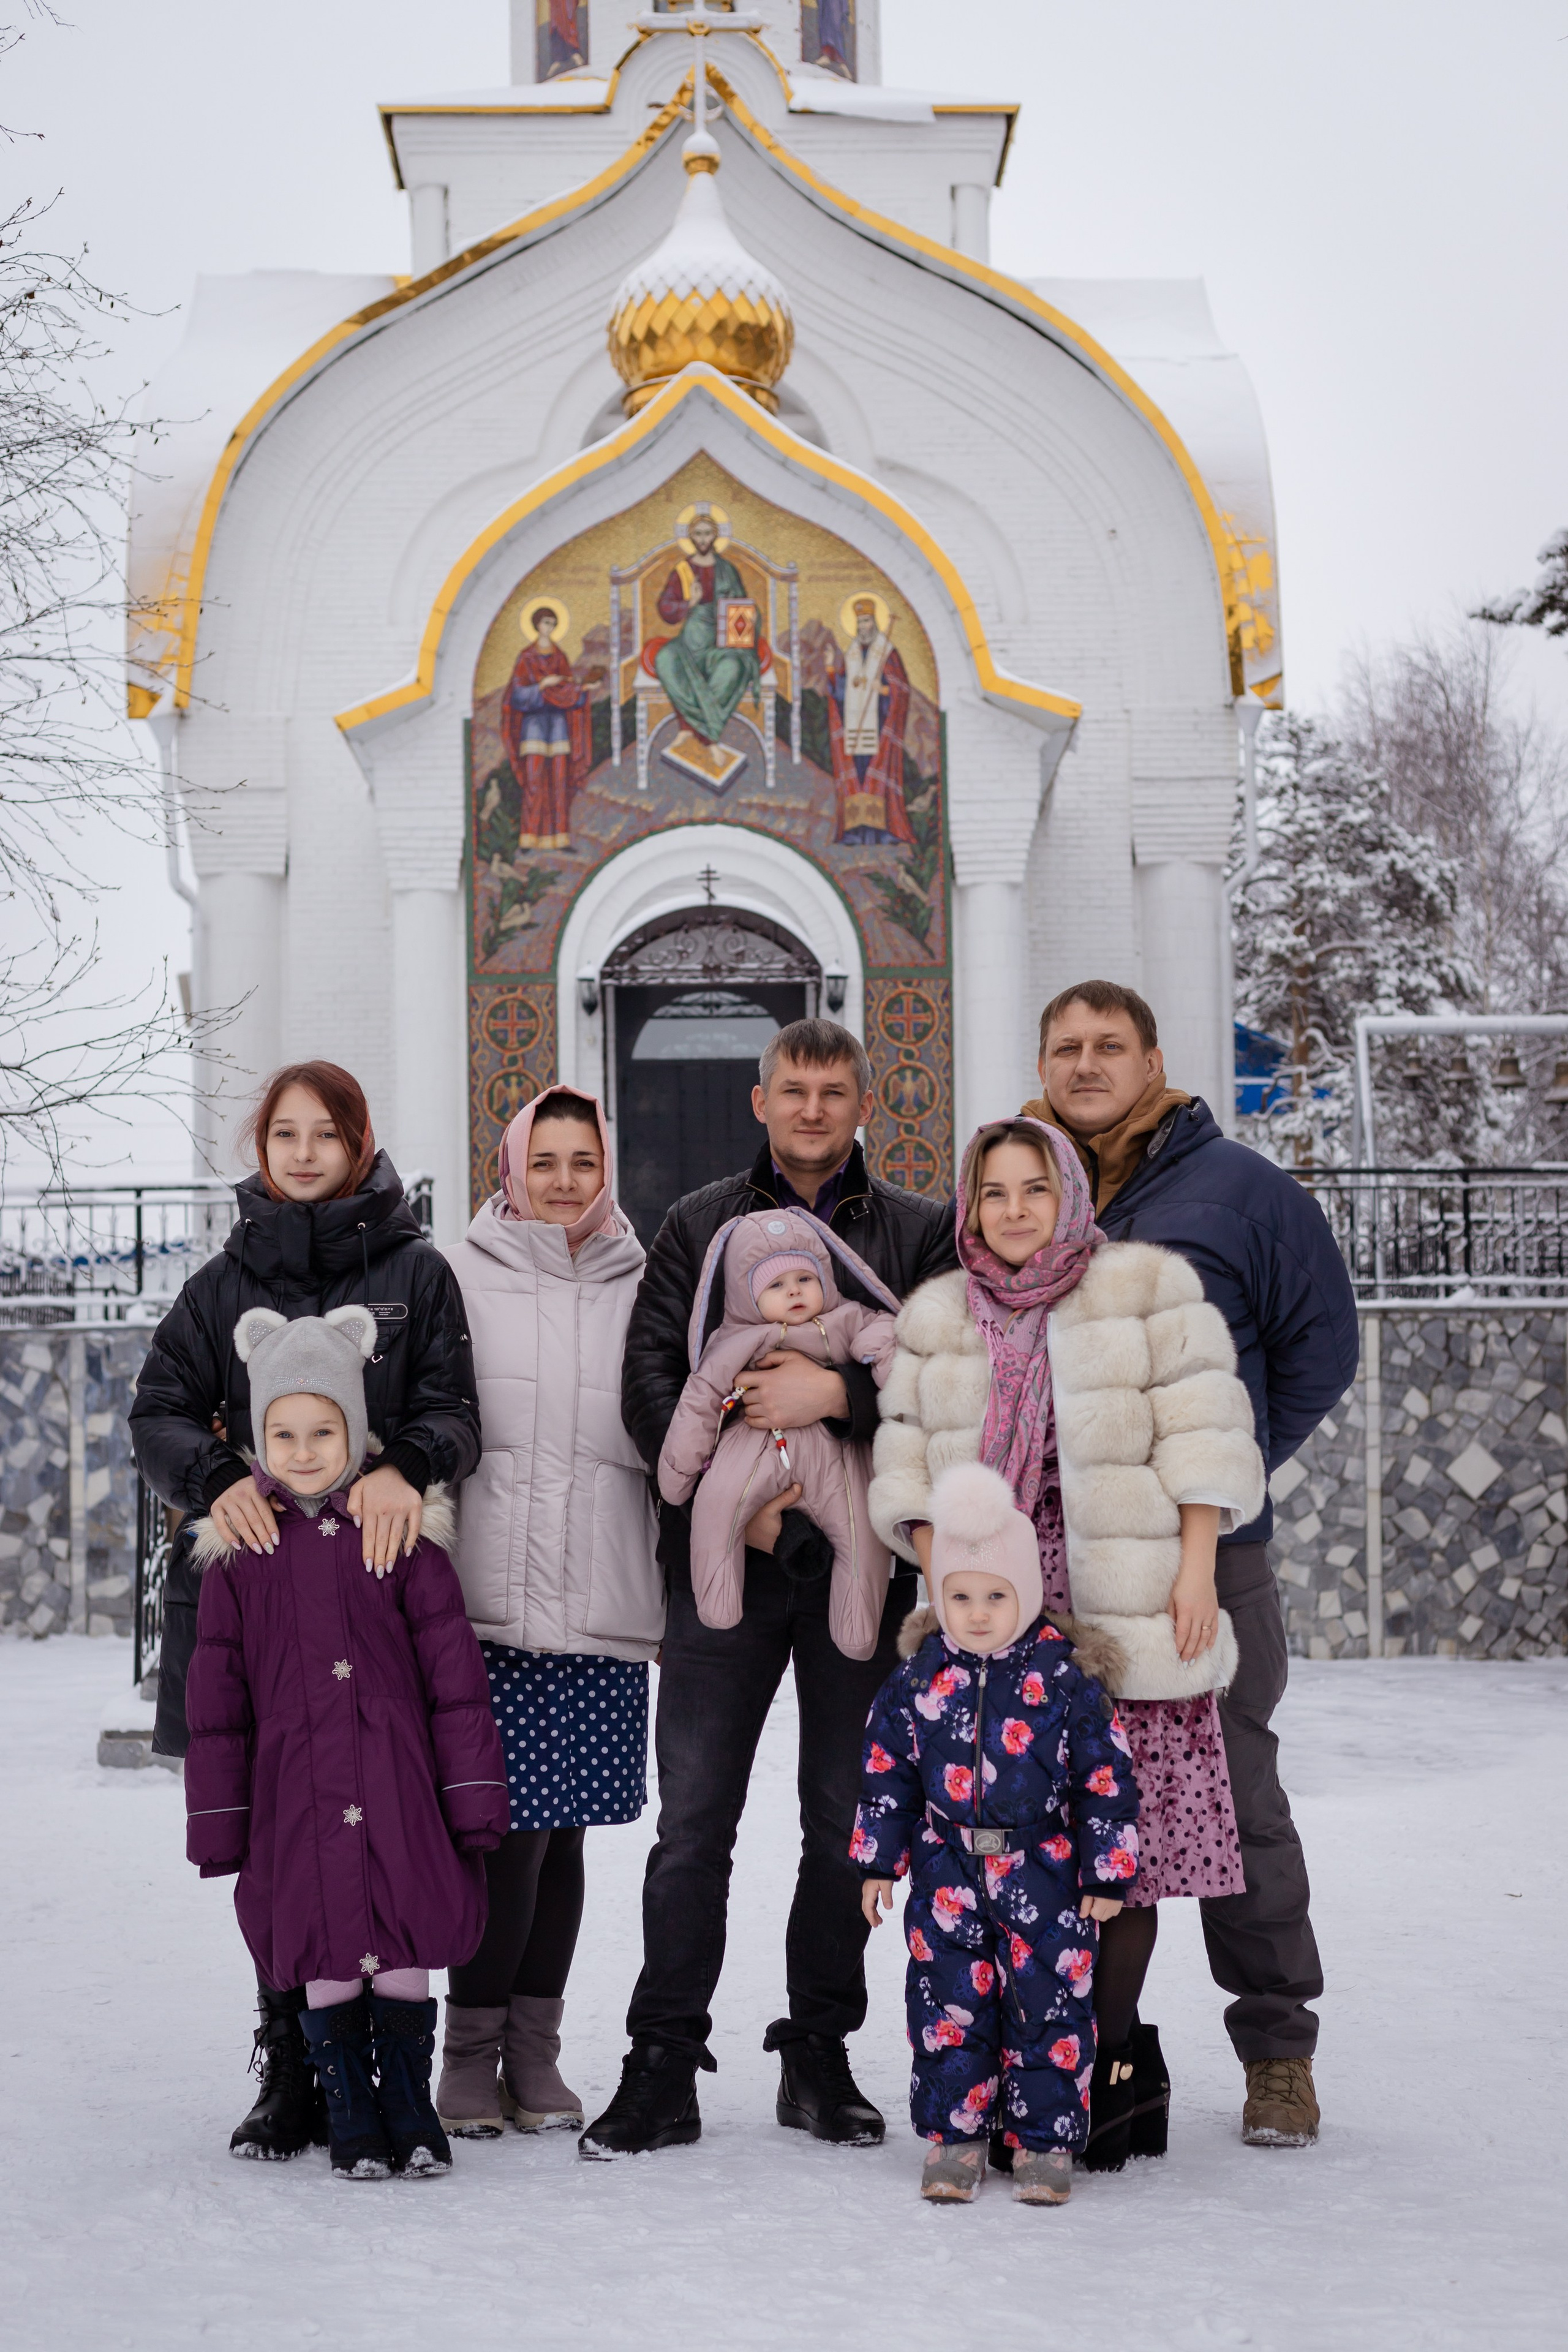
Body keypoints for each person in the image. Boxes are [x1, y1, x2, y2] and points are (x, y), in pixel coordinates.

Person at [581, 1017, 957, 2158]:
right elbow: (652, 1380)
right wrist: (735, 1495)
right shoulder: (698, 1223)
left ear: (860, 1102)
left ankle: (817, 2053)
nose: (810, 1108)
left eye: (831, 1090)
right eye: (791, 1089)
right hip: (727, 1564)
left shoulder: (915, 1230)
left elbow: (941, 1382)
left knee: (844, 1823)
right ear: (760, 1101)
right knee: (694, 1822)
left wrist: (832, 1396)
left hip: (862, 1569)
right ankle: (663, 2059)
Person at [869, 1118, 1265, 2174]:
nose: (1010, 1211)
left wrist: (1194, 1568)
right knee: (997, 1864)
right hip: (996, 1622)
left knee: (1118, 1861)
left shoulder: (1144, 1289)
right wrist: (952, 1578)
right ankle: (1005, 2079)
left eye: (1032, 1189)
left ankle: (1104, 2064)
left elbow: (1204, 1434)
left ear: (1071, 1195)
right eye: (991, 1192)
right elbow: (904, 1472)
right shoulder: (939, 1314)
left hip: (1124, 1608)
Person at [1023, 981, 1360, 2147]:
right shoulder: (1022, 1191)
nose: (1085, 1063)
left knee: (1238, 1807)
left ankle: (1277, 2050)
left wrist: (1218, 1480)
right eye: (1065, 1046)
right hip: (1059, 1577)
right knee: (1055, 1817)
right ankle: (1074, 2052)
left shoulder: (1245, 1194)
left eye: (1109, 1044)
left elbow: (1321, 1351)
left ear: (1155, 1059)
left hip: (1205, 1569)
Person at [129, 1061, 481, 2162]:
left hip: (373, 1588)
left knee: (383, 1828)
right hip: (256, 1593)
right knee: (286, 1837)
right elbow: (161, 1410)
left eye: (325, 1133)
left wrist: (405, 1467)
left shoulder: (417, 1274)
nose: (302, 1151)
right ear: (262, 1146)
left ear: (359, 1141)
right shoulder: (221, 1286)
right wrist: (213, 1480)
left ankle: (396, 2074)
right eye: (283, 1133)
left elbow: (453, 1410)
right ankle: (292, 2066)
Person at [184, 1308, 507, 2180]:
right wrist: (221, 1819)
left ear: (357, 1430)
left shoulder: (403, 1537)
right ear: (258, 1436)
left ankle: (408, 2102)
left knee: (400, 1935)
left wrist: (472, 1796)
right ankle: (350, 2109)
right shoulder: (242, 1550)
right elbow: (217, 1696)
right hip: (297, 1791)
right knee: (321, 1938)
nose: (301, 1449)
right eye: (282, 1432)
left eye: (323, 1430)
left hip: (396, 1781)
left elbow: (455, 1681)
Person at [436, 1086, 663, 2139]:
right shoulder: (460, 1274)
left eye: (584, 1160)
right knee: (503, 1836)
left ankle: (536, 2054)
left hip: (603, 1589)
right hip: (491, 1600)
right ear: (512, 1164)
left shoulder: (642, 1280)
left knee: (566, 1837)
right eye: (547, 1160)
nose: (565, 1179)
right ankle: (469, 2050)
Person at [855, 1460, 1141, 2206]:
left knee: (1047, 2007)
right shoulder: (918, 1677)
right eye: (959, 1596)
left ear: (1027, 1591)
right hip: (947, 1868)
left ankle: (1043, 2145)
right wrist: (877, 1862)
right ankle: (956, 2137)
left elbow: (1104, 1779)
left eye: (994, 1596)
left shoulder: (1064, 1677)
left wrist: (1104, 1873)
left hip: (1042, 1870)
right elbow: (886, 1770)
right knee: (948, 2005)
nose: (977, 1613)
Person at [657, 1206, 900, 1659]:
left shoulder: (849, 1319)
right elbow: (702, 1397)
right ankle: (718, 1602)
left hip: (838, 1460)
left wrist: (888, 1369)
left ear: (825, 1280)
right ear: (745, 1296)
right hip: (755, 1447)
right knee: (718, 1501)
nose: (793, 1291)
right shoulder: (735, 1339)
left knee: (862, 1532)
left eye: (805, 1280)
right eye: (774, 1285)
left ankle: (856, 1629)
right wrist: (679, 1469)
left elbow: (886, 1338)